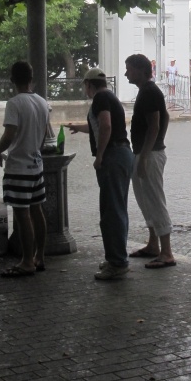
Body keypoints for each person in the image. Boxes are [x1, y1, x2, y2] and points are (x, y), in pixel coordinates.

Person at [66, 68, 134, 280]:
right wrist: (79, 127)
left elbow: (105, 126)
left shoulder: (100, 98)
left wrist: (100, 156)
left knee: (111, 212)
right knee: (116, 208)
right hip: (122, 154)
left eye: (84, 85)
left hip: (113, 156)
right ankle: (116, 257)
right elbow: (99, 125)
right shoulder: (109, 97)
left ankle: (117, 262)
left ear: (88, 84)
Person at [0, 61, 49, 278]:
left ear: (12, 80)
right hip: (36, 165)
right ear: (31, 78)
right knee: (37, 211)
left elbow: (9, 134)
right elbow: (43, 136)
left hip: (19, 168)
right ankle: (39, 257)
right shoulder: (42, 102)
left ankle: (26, 262)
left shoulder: (14, 104)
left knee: (22, 214)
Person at [124, 55, 176, 270]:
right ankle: (154, 244)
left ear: (139, 70)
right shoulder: (147, 91)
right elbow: (165, 117)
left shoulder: (150, 92)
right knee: (146, 200)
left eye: (129, 69)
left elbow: (155, 125)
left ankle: (167, 252)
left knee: (154, 200)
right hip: (146, 152)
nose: (126, 73)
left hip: (149, 155)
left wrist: (146, 154)